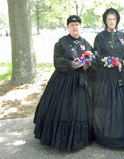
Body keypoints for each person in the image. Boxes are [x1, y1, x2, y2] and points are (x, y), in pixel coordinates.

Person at [34, 15, 97, 150]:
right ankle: (60, 139)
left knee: (81, 110)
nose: (75, 27)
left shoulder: (86, 43)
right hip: (64, 82)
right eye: (72, 25)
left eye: (77, 24)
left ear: (80, 26)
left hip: (82, 82)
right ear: (68, 27)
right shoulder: (61, 42)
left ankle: (80, 138)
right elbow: (57, 60)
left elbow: (93, 58)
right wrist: (70, 64)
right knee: (63, 110)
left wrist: (89, 64)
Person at [92, 8, 124, 148]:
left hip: (121, 73)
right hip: (106, 76)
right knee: (108, 103)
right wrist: (108, 61)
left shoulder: (123, 35)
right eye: (109, 19)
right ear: (105, 20)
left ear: (117, 21)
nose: (111, 21)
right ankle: (107, 136)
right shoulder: (99, 36)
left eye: (114, 19)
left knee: (123, 103)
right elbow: (96, 54)